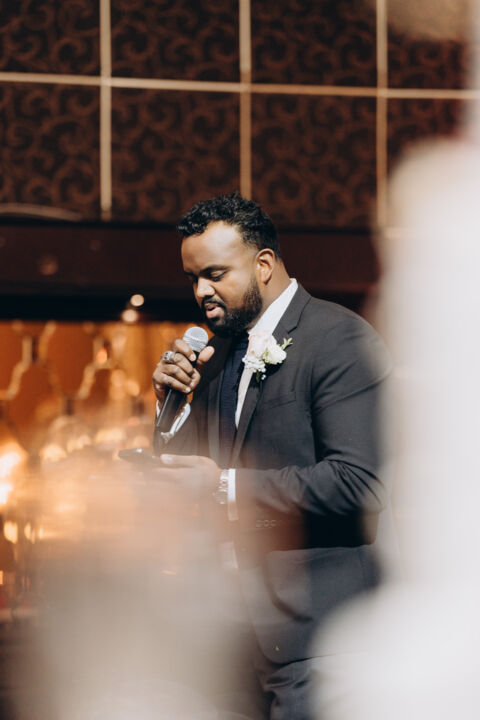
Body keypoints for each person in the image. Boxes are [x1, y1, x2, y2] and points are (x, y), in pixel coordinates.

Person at [151, 193, 394, 720]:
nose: (201, 292)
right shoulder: (218, 356)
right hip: (232, 640)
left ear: (263, 264)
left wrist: (225, 486)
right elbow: (188, 476)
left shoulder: (339, 338)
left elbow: (360, 483)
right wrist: (171, 406)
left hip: (321, 639)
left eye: (214, 274)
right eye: (193, 278)